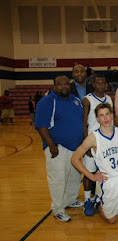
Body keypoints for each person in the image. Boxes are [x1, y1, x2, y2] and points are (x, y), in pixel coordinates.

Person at [35, 75, 84, 222]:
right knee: (58, 179)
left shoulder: (75, 100)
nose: (63, 87)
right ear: (54, 86)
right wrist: (51, 145)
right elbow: (41, 126)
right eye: (60, 84)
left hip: (75, 147)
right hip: (58, 147)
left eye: (66, 84)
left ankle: (70, 200)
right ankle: (57, 208)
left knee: (73, 177)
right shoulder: (47, 101)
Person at [81, 74, 113, 216]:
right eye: (98, 83)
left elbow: (111, 121)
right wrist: (86, 144)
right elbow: (83, 122)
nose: (100, 85)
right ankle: (87, 200)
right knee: (89, 172)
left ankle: (97, 198)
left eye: (103, 83)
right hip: (92, 141)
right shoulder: (87, 99)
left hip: (106, 141)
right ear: (93, 84)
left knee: (106, 171)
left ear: (106, 84)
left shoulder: (109, 99)